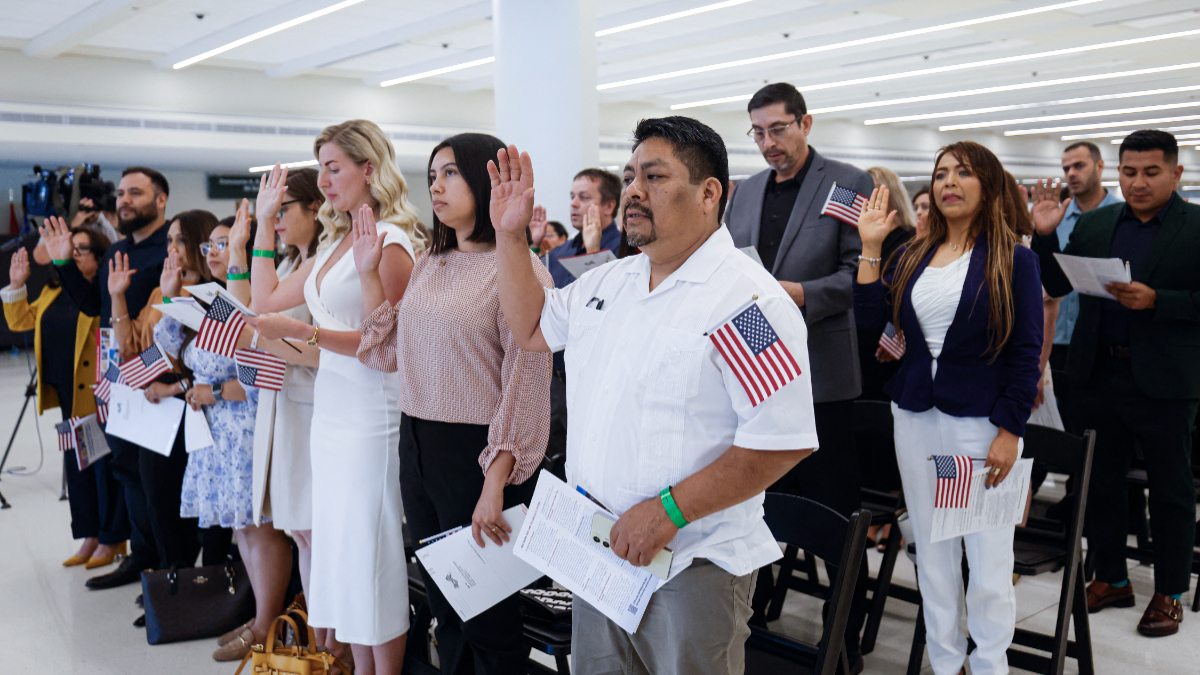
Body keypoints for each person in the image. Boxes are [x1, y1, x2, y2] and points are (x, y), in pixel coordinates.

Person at [492, 116, 818, 675]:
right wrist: (507, 234)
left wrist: (667, 512)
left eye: (655, 176)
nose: (635, 191)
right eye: (630, 176)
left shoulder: (746, 303)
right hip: (598, 550)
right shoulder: (610, 283)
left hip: (691, 562)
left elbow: (779, 443)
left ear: (710, 193)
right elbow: (531, 329)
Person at [356, 132, 552, 674]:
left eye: (450, 174)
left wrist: (496, 481)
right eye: (432, 177)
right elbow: (387, 351)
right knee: (446, 601)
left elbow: (528, 379)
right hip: (417, 441)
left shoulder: (519, 269)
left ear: (486, 180)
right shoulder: (430, 260)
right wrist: (370, 273)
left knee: (489, 614)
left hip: (478, 453)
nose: (436, 187)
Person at [855, 141, 1043, 675]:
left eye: (962, 172)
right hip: (915, 418)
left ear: (988, 184)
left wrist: (1010, 428)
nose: (948, 182)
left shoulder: (1014, 258)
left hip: (981, 425)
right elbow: (872, 322)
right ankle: (945, 662)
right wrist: (871, 247)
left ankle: (988, 666)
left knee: (987, 562)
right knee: (933, 557)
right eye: (940, 174)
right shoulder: (913, 254)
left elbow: (1026, 352)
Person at [245, 119, 421, 675]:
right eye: (319, 167)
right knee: (342, 557)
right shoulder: (331, 245)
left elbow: (385, 343)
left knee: (372, 557)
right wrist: (264, 222)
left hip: (373, 416)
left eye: (333, 167)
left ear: (369, 169)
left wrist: (305, 334)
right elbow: (266, 297)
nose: (322, 180)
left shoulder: (390, 242)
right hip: (333, 416)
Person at [1037, 130, 1200, 637]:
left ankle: (1170, 590)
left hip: (1165, 380)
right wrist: (1044, 235)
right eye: (1130, 172)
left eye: (1152, 172)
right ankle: (1111, 577)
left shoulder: (1195, 226)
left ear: (1176, 174)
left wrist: (1159, 302)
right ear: (1117, 173)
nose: (1139, 182)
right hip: (1097, 373)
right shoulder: (1097, 222)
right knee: (1101, 484)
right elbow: (1057, 285)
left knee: (1170, 490)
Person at [724, 82, 871, 519]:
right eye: (758, 133)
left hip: (821, 365)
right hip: (756, 364)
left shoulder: (845, 184)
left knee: (833, 499)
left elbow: (858, 275)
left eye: (778, 129)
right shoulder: (746, 192)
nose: (768, 143)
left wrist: (802, 294)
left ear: (805, 123)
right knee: (764, 500)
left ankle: (850, 587)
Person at [42, 166, 171, 591]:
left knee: (156, 480)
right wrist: (62, 260)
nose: (124, 200)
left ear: (161, 200)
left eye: (135, 193)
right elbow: (90, 307)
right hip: (115, 381)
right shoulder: (118, 250)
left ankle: (169, 570)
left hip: (158, 383)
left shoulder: (170, 249)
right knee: (126, 471)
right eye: (121, 194)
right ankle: (141, 557)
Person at [218, 168, 324, 655]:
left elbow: (263, 324)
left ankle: (331, 642)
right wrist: (239, 252)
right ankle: (316, 639)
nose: (276, 221)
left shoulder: (324, 265)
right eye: (272, 213)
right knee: (299, 529)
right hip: (281, 403)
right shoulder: (286, 260)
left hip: (312, 407)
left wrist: (259, 335)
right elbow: (249, 312)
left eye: (283, 211)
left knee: (313, 528)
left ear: (315, 210)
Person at [2, 231, 128, 569]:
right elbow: (21, 321)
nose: (71, 255)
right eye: (69, 249)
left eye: (81, 250)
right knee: (78, 468)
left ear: (101, 257)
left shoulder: (103, 294)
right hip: (67, 396)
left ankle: (112, 538)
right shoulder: (52, 290)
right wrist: (16, 284)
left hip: (99, 396)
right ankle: (90, 535)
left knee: (105, 469)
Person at [1030, 142, 1123, 430]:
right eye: (1066, 168)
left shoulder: (1121, 216)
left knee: (1090, 429)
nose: (1071, 173)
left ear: (1100, 167)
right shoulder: (1055, 217)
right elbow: (1045, 277)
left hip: (1098, 342)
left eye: (1079, 166)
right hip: (1054, 340)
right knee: (1049, 428)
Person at [542, 168, 624, 289]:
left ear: (609, 206)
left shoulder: (626, 249)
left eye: (584, 197)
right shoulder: (560, 252)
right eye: (572, 197)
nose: (573, 204)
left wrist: (593, 253)